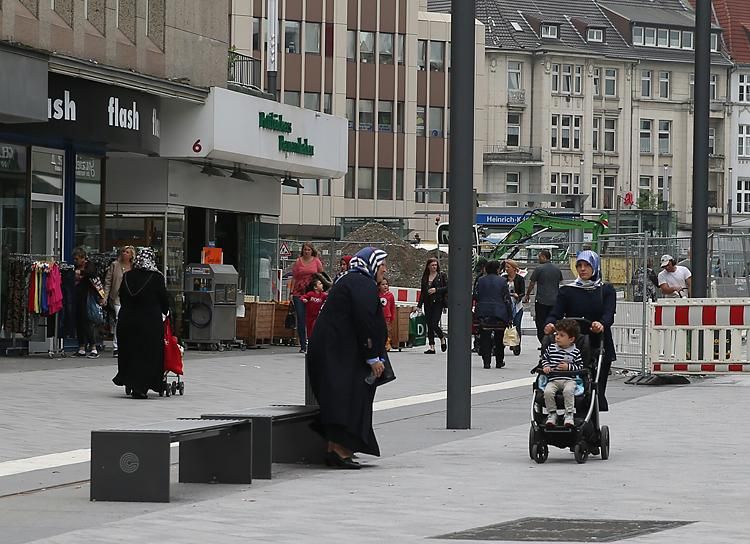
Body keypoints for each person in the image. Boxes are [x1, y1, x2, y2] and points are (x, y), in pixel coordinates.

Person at [306, 247, 389, 469]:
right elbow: (366, 320)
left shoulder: (351, 281)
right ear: (371, 265)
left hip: (335, 353)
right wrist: (373, 357)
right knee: (351, 398)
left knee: (341, 399)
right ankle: (340, 450)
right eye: (381, 265)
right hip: (339, 355)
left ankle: (336, 448)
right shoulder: (362, 284)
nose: (385, 270)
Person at [544, 250, 616, 411]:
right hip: (573, 343)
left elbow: (609, 313)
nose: (583, 269)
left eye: (587, 265)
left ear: (595, 267)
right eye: (579, 265)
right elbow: (556, 313)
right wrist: (550, 324)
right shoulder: (567, 290)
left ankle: (592, 420)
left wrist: (601, 324)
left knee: (595, 386)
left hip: (598, 341)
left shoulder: (605, 290)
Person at [113, 247, 170, 399]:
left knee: (129, 351)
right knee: (147, 353)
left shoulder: (127, 276)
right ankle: (142, 386)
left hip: (127, 321)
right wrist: (166, 311)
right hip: (149, 322)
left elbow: (122, 296)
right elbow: (164, 300)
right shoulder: (157, 278)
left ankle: (129, 380)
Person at [541, 319, 584, 428]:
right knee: (547, 392)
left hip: (569, 379)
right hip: (553, 379)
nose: (557, 337)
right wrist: (546, 366)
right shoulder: (551, 349)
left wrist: (568, 367)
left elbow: (580, 366)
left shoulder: (575, 352)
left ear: (571, 339)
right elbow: (544, 359)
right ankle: (552, 414)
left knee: (568, 391)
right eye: (556, 334)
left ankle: (569, 414)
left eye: (561, 335)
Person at [473, 260, 513, 369]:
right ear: (497, 269)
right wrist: (510, 316)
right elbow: (507, 299)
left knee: (485, 339)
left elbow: (475, 295)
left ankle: (486, 362)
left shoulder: (480, 280)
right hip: (499, 313)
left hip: (483, 313)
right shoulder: (502, 281)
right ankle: (499, 361)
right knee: (499, 340)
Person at [289, 242, 324, 353]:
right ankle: (303, 345)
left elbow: (321, 275)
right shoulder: (298, 262)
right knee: (301, 317)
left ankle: (312, 341)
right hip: (299, 293)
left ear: (312, 251)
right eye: (305, 249)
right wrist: (291, 292)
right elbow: (294, 277)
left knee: (312, 317)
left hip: (312, 293)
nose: (306, 251)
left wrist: (320, 289)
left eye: (309, 249)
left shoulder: (316, 261)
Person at [524, 249, 563, 345]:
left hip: (541, 300)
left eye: (539, 257)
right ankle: (553, 341)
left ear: (544, 257)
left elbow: (532, 283)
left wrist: (527, 295)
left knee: (541, 322)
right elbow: (560, 283)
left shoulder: (538, 269)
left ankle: (544, 342)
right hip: (555, 301)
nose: (538, 258)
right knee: (554, 321)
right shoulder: (557, 269)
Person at [103, 245, 134, 358]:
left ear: (131, 255)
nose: (124, 253)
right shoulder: (115, 265)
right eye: (123, 251)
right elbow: (108, 281)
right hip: (117, 297)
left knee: (130, 322)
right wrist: (105, 297)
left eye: (127, 252)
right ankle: (117, 347)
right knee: (119, 319)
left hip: (131, 298)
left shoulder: (134, 266)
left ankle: (128, 345)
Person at [72, 247, 102, 359]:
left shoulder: (90, 266)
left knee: (88, 322)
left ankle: (93, 347)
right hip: (78, 297)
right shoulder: (75, 267)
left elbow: (92, 274)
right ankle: (81, 347)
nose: (75, 261)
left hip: (88, 298)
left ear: (83, 258)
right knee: (79, 322)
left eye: (77, 259)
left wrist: (81, 272)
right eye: (74, 259)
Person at [417, 257, 448, 354]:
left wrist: (436, 290)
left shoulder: (441, 275)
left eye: (435, 265)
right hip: (427, 302)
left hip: (438, 302)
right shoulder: (425, 277)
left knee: (434, 323)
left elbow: (447, 287)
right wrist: (419, 305)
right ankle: (432, 347)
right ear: (428, 266)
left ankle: (442, 338)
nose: (434, 267)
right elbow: (423, 292)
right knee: (429, 324)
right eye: (432, 265)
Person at [503, 259, 525, 353]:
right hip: (505, 305)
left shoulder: (520, 279)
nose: (506, 269)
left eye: (508, 267)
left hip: (517, 305)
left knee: (517, 325)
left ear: (514, 268)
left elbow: (522, 292)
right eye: (506, 267)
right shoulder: (503, 278)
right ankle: (504, 344)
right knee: (505, 325)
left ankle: (516, 346)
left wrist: (518, 295)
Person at [378, 278, 396, 351]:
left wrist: (392, 316)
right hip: (379, 316)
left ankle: (387, 344)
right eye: (383, 284)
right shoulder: (377, 294)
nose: (385, 286)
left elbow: (392, 306)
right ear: (378, 286)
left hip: (387, 316)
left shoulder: (390, 295)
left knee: (387, 331)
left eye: (386, 284)